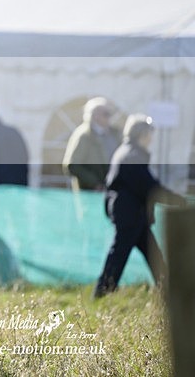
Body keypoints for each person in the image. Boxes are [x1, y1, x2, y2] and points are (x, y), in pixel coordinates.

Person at [93, 114, 187, 298]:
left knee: (152, 257)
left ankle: (170, 292)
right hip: (130, 216)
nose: (151, 138)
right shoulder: (132, 155)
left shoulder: (127, 151)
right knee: (120, 256)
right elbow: (149, 187)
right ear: (141, 134)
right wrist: (176, 200)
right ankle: (101, 294)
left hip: (133, 215)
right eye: (149, 133)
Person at [63, 97, 121, 191]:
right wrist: (95, 184)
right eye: (106, 114)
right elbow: (72, 165)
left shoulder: (113, 134)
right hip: (90, 191)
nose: (109, 117)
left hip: (109, 188)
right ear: (95, 115)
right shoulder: (83, 136)